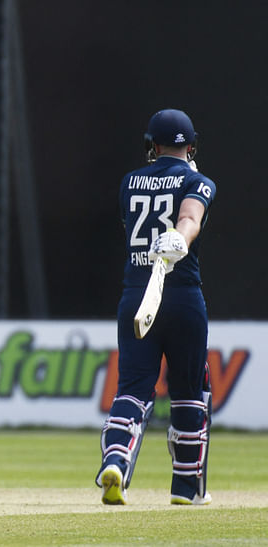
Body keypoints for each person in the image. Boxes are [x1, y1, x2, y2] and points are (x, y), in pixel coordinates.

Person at [95, 109, 216, 506]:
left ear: (152, 145)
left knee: (132, 388)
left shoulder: (130, 182)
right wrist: (179, 238)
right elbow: (189, 217)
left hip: (137, 294)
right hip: (182, 297)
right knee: (189, 390)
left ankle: (116, 461)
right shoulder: (199, 181)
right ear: (191, 146)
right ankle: (186, 489)